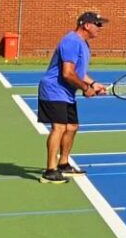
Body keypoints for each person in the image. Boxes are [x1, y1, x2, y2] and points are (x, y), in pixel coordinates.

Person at [37, 12, 109, 184]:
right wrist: (85, 88)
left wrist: (94, 84)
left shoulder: (83, 44)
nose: (100, 28)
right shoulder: (71, 41)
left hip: (66, 92)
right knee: (59, 127)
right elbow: (67, 73)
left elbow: (79, 73)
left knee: (72, 127)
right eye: (98, 24)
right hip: (54, 90)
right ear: (86, 25)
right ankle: (50, 170)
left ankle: (63, 165)